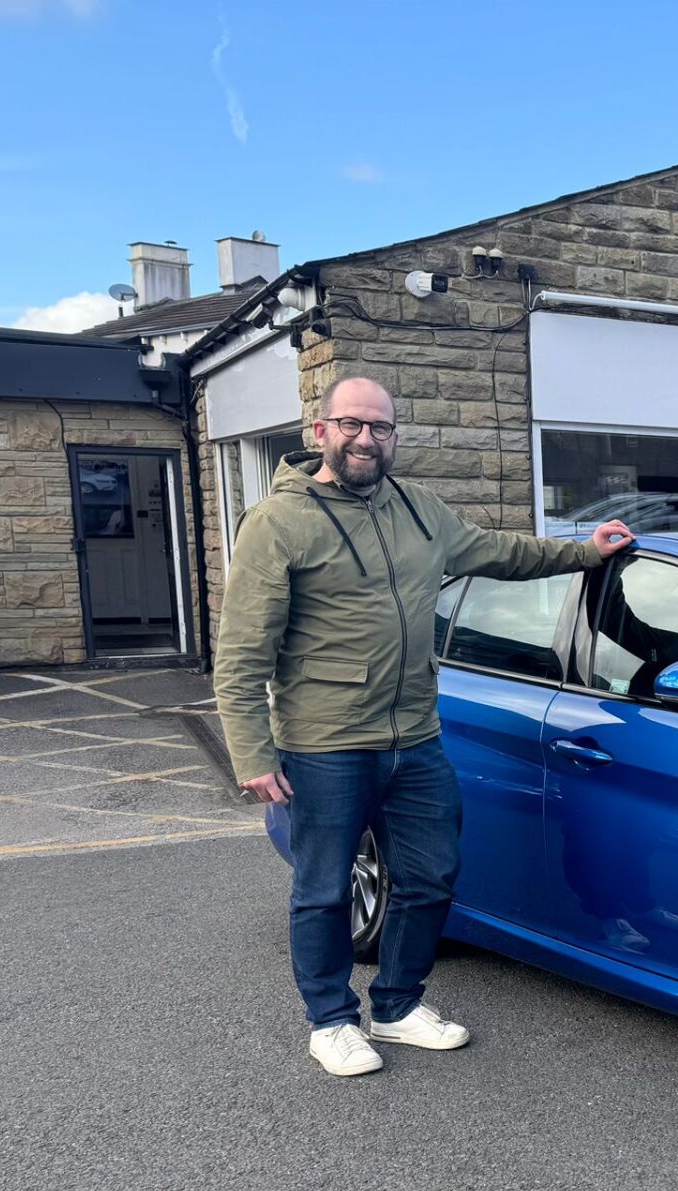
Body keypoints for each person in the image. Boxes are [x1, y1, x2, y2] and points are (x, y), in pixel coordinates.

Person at [214, 375, 633, 1077]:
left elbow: (503, 552)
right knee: (324, 887)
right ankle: (330, 1021)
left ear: (393, 437)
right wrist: (252, 751)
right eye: (351, 424)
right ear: (320, 432)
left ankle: (398, 1005)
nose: (365, 438)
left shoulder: (419, 509)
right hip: (324, 743)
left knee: (431, 875)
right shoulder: (278, 522)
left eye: (379, 427)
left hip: (415, 736)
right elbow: (242, 650)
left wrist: (586, 552)